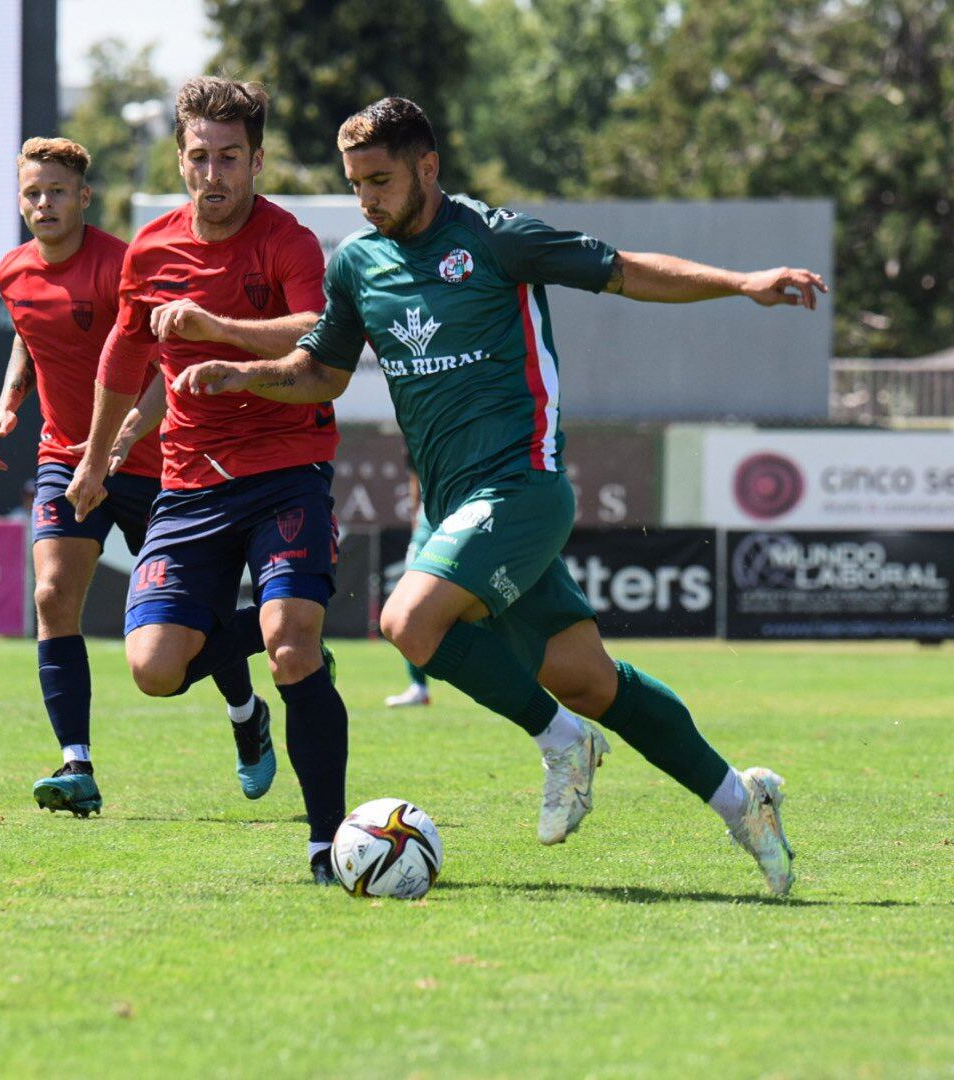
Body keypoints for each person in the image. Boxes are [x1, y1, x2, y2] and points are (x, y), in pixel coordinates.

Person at [172, 97, 828, 896]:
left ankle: (561, 743)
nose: (368, 199)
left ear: (427, 168)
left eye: (381, 179)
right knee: (588, 679)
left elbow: (623, 270)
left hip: (524, 486)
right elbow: (322, 370)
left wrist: (741, 283)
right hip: (458, 510)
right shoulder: (358, 264)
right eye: (354, 185)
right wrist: (245, 373)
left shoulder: (493, 237)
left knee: (407, 620)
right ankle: (741, 799)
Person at [67, 77, 350, 884]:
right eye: (200, 157)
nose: (214, 175)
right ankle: (253, 689)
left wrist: (219, 335)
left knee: (294, 647)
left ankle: (327, 843)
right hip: (189, 485)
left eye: (231, 158)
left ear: (257, 160)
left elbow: (318, 335)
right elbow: (122, 361)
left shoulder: (287, 242)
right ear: (181, 159)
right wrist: (94, 462)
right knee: (154, 669)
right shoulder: (151, 251)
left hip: (286, 468)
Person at [0, 137, 265, 820]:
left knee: (194, 616)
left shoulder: (124, 265)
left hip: (155, 464)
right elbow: (28, 333)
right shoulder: (12, 272)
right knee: (53, 594)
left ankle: (245, 710)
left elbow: (167, 366)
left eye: (56, 191)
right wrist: (8, 404)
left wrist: (118, 440)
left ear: (84, 197)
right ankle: (76, 764)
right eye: (32, 193)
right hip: (64, 459)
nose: (43, 203)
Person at [385, 448, 430, 707]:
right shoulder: (415, 431)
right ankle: (418, 685)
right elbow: (416, 477)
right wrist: (416, 520)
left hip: (464, 514)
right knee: (404, 607)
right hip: (428, 523)